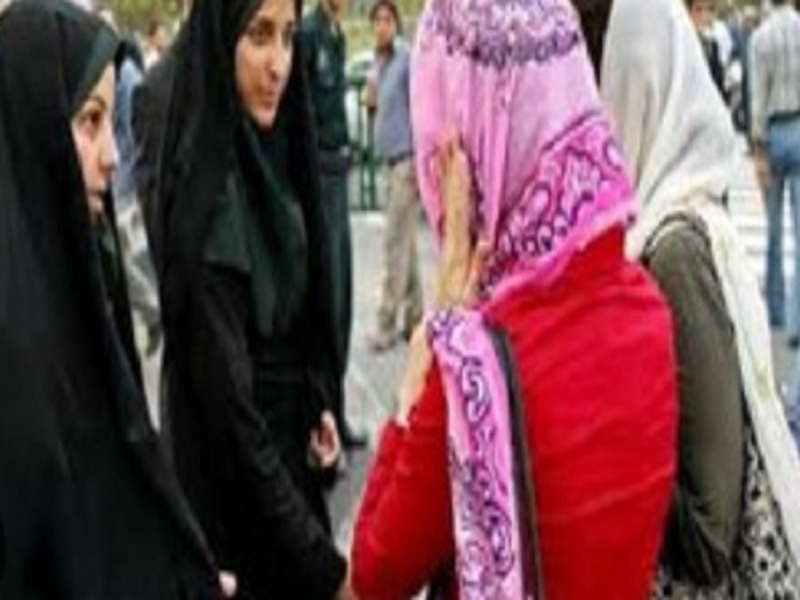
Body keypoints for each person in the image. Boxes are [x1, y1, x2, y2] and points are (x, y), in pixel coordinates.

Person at [351, 0, 679, 598]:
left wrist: (415, 384)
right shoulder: (648, 308)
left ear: (473, 145)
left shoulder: (469, 366)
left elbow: (374, 573)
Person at [573, 0, 800, 593]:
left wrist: (603, 420)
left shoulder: (675, 251)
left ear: (633, 87)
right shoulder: (647, 229)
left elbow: (711, 534)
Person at [0, 0, 226, 597]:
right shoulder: (16, 344)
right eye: (89, 122)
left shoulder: (78, 275)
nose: (112, 155)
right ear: (37, 124)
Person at [151, 0, 355, 597]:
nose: (279, 64)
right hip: (243, 512)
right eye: (260, 36)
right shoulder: (211, 196)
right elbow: (231, 413)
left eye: (288, 38)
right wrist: (325, 567)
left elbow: (298, 310)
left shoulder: (275, 156)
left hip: (285, 475)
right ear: (221, 41)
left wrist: (316, 398)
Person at [302, 0, 366, 448]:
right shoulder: (309, 34)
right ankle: (324, 418)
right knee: (327, 301)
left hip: (339, 174)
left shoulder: (337, 36)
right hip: (319, 175)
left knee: (342, 303)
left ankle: (336, 413)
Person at [365, 0, 423, 352]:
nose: (382, 26)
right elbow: (374, 101)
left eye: (388, 20)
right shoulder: (379, 61)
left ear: (396, 24)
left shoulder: (406, 59)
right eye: (377, 20)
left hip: (406, 160)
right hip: (390, 160)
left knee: (393, 244)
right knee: (407, 245)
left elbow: (421, 104)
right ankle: (416, 317)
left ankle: (385, 325)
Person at [750, 0, 800, 347]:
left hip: (773, 131)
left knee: (773, 230)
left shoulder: (761, 37)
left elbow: (757, 97)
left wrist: (759, 150)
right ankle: (798, 320)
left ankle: (775, 312)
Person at [687, 0, 728, 101]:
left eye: (709, 9)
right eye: (698, 9)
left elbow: (718, 84)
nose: (703, 15)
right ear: (689, 12)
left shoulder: (712, 45)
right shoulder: (680, 44)